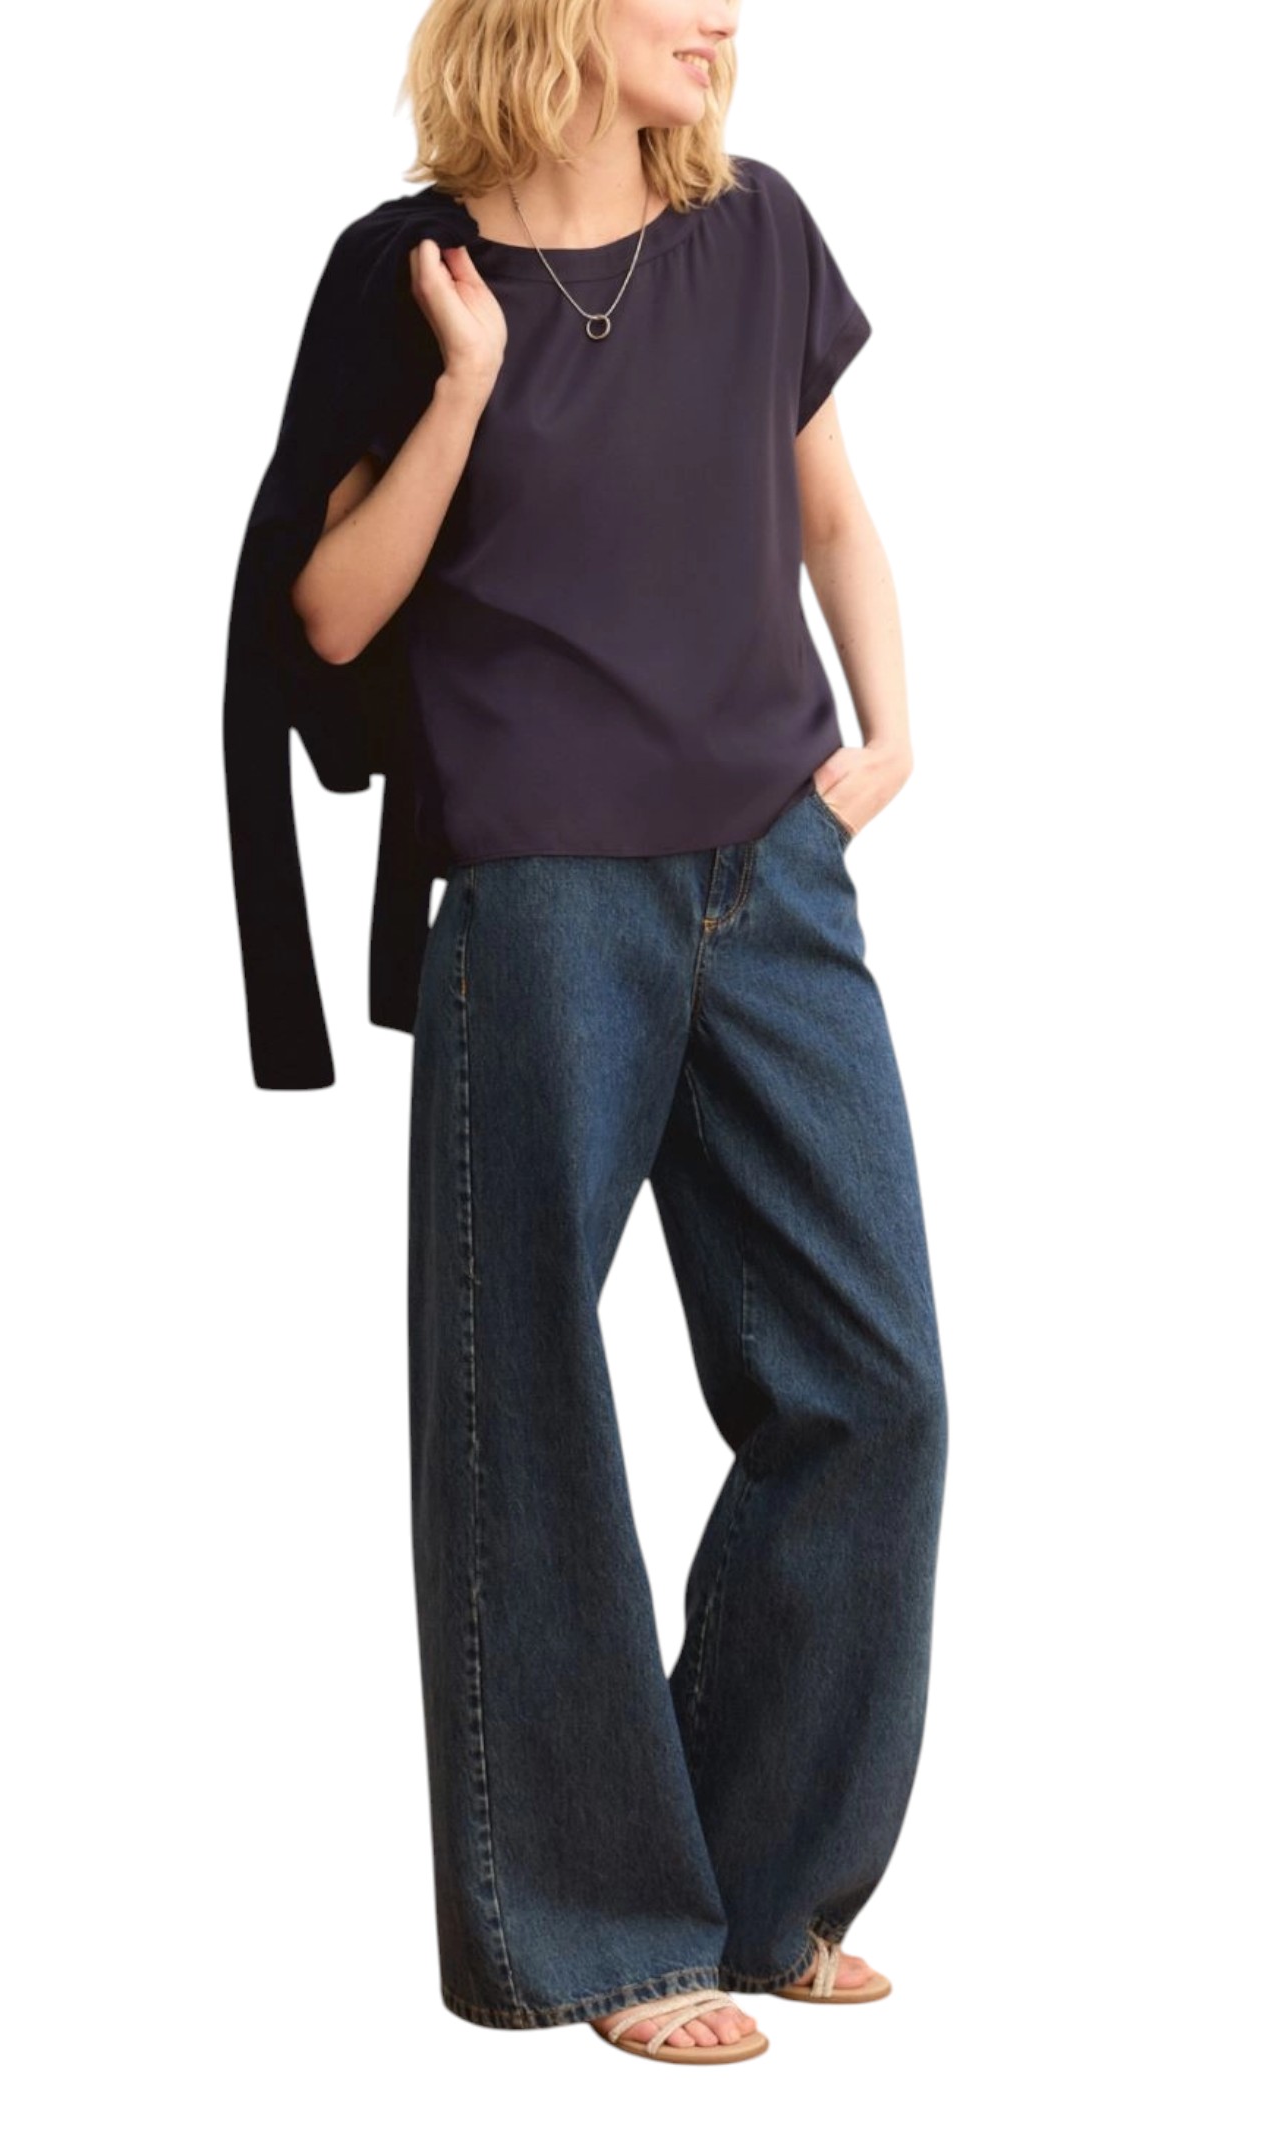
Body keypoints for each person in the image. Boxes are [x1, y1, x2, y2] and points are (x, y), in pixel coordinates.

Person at [284, 0, 948, 2064]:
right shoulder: (409, 274)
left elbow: (826, 512)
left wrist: (886, 736)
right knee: (529, 1403)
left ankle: (760, 1878)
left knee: (871, 1384)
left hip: (771, 873)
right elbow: (328, 610)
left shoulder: (756, 231)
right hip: (545, 890)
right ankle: (593, 1927)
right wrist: (467, 387)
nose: (721, 16)